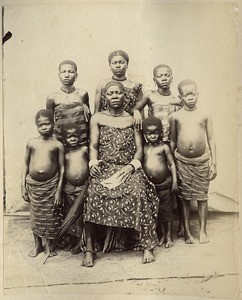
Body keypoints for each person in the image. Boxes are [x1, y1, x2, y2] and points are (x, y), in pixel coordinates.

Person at [83, 81, 159, 267]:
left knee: (139, 191)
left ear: (125, 97)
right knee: (93, 193)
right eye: (111, 93)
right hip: (105, 167)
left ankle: (147, 246)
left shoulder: (133, 119)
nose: (115, 96)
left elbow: (139, 149)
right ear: (105, 97)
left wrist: (132, 167)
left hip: (128, 167)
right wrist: (93, 163)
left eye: (119, 92)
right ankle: (90, 249)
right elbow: (93, 146)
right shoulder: (97, 118)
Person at [133, 64, 184, 237]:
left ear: (172, 77)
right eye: (159, 76)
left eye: (166, 75)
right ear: (154, 79)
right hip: (152, 140)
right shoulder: (150, 95)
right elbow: (135, 108)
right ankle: (158, 228)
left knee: (175, 182)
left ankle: (182, 224)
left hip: (171, 142)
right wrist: (137, 113)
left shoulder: (178, 99)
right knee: (158, 185)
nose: (163, 78)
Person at [170, 79, 217, 244]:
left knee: (202, 197)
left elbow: (211, 140)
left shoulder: (204, 114)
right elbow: (173, 141)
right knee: (184, 198)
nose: (190, 97)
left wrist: (214, 163)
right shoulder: (175, 116)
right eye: (186, 94)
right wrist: (172, 165)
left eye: (193, 94)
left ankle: (203, 231)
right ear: (180, 97)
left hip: (202, 161)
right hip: (182, 162)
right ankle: (188, 230)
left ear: (198, 94)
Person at [21, 109, 65, 257]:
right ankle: (37, 245)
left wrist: (59, 190)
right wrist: (23, 186)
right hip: (34, 186)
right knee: (35, 216)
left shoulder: (57, 145)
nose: (44, 127)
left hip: (51, 186)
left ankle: (49, 247)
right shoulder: (31, 143)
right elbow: (25, 165)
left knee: (50, 216)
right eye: (40, 125)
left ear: (53, 124)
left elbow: (62, 168)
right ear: (36, 126)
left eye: (47, 124)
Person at [142, 117, 178, 248]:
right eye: (149, 133)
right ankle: (162, 234)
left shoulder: (164, 147)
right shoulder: (144, 148)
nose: (152, 136)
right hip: (150, 187)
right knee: (156, 212)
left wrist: (174, 181)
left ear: (161, 133)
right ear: (145, 134)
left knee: (166, 211)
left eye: (155, 133)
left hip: (164, 185)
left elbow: (172, 164)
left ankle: (169, 236)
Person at [46, 60, 91, 146]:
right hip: (61, 142)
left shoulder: (82, 94)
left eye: (70, 72)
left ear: (76, 75)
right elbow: (50, 123)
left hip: (81, 141)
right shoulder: (52, 98)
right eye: (63, 72)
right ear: (59, 76)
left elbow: (88, 118)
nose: (67, 75)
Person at [61, 123, 89, 254]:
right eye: (69, 137)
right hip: (70, 189)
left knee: (81, 216)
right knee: (70, 215)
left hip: (84, 188)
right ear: (64, 139)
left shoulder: (84, 150)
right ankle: (73, 240)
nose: (72, 139)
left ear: (79, 137)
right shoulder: (65, 154)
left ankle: (80, 243)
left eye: (75, 136)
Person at [94, 50, 143, 115]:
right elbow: (96, 112)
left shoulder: (135, 86)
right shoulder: (102, 84)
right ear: (110, 66)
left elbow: (141, 113)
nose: (118, 65)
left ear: (127, 64)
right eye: (114, 63)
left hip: (128, 122)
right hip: (105, 122)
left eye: (121, 62)